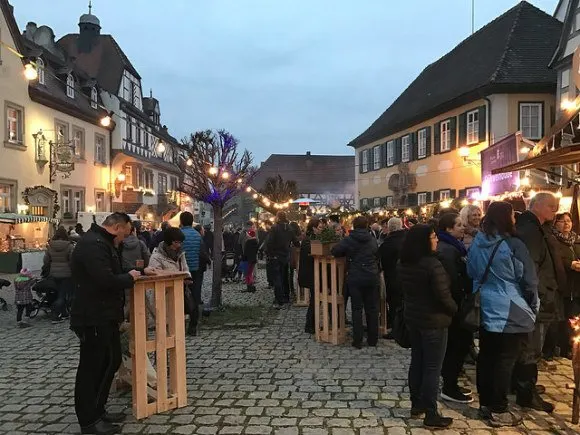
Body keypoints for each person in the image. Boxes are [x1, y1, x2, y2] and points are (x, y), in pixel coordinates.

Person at [70, 212, 143, 435]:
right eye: (127, 232)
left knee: (110, 361)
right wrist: (129, 278)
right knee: (92, 367)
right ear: (118, 227)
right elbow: (105, 280)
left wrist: (138, 272)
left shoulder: (103, 242)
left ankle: (98, 410)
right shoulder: (93, 244)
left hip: (105, 314)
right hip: (92, 316)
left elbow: (113, 273)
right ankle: (88, 420)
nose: (126, 238)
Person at [467, 201, 538, 427]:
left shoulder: (477, 242)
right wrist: (533, 307)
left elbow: (470, 271)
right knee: (505, 361)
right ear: (507, 218)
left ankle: (486, 404)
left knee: (487, 358)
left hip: (485, 306)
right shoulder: (514, 244)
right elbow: (528, 280)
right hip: (510, 307)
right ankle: (499, 408)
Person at [398, 224, 457, 429]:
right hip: (434, 321)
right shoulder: (432, 264)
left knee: (418, 362)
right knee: (432, 367)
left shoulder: (405, 262)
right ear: (424, 241)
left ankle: (417, 404)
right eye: (433, 237)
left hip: (414, 319)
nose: (437, 240)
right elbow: (443, 296)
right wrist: (454, 310)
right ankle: (431, 413)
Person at [513, 192, 565, 413]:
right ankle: (526, 393)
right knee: (530, 348)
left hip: (539, 298)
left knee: (528, 346)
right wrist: (539, 296)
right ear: (539, 206)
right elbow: (529, 268)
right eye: (552, 207)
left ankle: (521, 386)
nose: (555, 211)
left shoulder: (533, 228)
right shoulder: (531, 231)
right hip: (537, 301)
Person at [435, 213, 473, 404]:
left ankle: (451, 383)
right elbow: (453, 282)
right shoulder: (448, 251)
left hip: (456, 306)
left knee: (456, 347)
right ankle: (449, 386)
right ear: (448, 229)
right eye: (458, 225)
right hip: (456, 308)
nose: (462, 227)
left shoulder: (452, 247)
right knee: (455, 347)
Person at [331, 216, 380, 349]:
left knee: (356, 308)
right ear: (366, 226)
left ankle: (357, 340)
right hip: (371, 276)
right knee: (372, 308)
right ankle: (373, 339)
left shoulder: (349, 239)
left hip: (356, 277)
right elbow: (376, 253)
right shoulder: (372, 239)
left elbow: (335, 251)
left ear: (354, 225)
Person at [549, 212, 580, 359]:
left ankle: (571, 346)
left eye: (569, 221)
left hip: (576, 286)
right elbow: (556, 261)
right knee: (561, 319)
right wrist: (570, 264)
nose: (567, 224)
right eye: (563, 221)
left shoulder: (577, 240)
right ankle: (561, 346)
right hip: (562, 286)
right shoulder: (554, 240)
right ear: (556, 223)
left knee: (574, 317)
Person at [378, 217, 406, 334]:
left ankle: (396, 330)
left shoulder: (387, 244)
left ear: (389, 228)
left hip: (393, 277)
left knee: (394, 305)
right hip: (407, 276)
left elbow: (382, 262)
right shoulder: (408, 239)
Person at [265, 212, 297, 308]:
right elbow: (295, 241)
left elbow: (269, 242)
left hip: (275, 256)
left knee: (277, 278)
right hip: (285, 256)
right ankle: (286, 296)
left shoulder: (275, 228)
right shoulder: (290, 229)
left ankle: (279, 299)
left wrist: (270, 254)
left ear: (278, 218)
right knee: (285, 277)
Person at [44, 226, 75, 323]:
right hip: (66, 274)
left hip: (54, 273)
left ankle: (64, 313)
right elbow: (72, 260)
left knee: (57, 294)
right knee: (62, 295)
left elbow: (46, 261)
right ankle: (55, 315)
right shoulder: (69, 246)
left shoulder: (50, 246)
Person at [180, 212, 203, 336]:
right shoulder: (197, 235)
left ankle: (179, 324)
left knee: (180, 297)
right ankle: (193, 326)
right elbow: (202, 251)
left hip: (181, 271)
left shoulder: (179, 234)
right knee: (195, 296)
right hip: (195, 269)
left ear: (181, 221)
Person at [300, 217, 323, 333]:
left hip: (315, 273)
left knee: (316, 300)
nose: (321, 230)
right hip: (311, 274)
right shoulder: (308, 240)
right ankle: (309, 325)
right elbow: (311, 254)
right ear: (313, 228)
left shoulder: (312, 238)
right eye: (319, 228)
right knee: (314, 300)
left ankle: (313, 323)